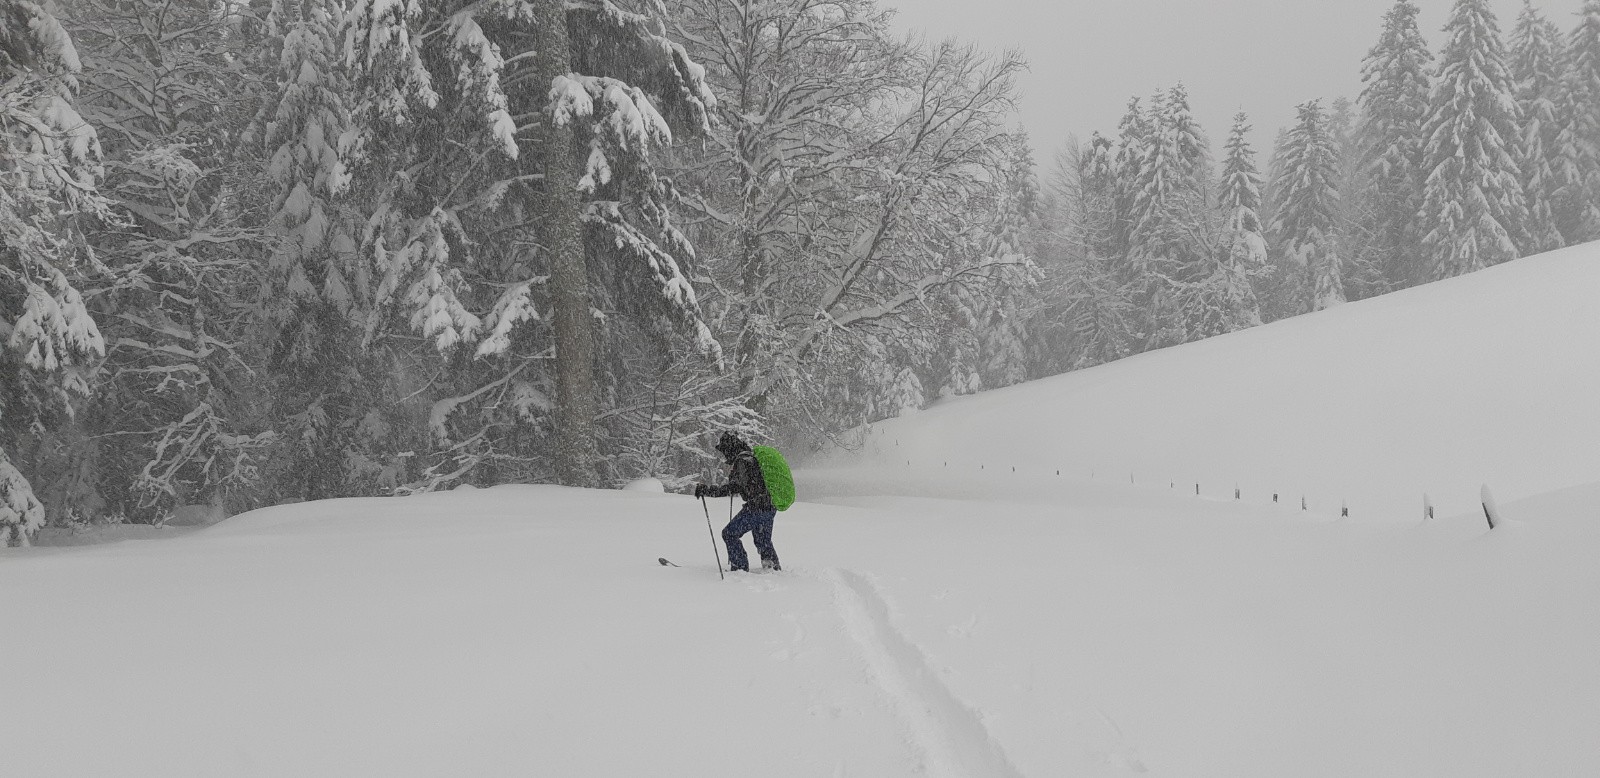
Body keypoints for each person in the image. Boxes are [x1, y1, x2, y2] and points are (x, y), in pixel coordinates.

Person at [694, 432, 781, 572]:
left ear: (729, 449)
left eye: (724, 452)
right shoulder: (752, 458)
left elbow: (735, 487)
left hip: (756, 507)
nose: (724, 456)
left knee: (729, 534)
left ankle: (740, 568)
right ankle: (772, 567)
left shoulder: (742, 462)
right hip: (769, 506)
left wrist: (708, 491)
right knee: (762, 540)